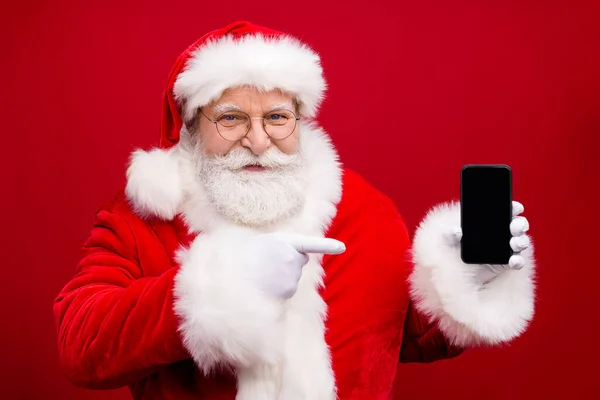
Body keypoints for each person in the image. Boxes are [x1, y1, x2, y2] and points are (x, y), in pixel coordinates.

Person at [54, 20, 536, 400]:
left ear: (300, 121)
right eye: (231, 118)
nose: (259, 141)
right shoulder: (140, 219)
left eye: (278, 118)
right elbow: (81, 344)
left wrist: (466, 280)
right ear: (191, 128)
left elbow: (397, 339)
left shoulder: (363, 210)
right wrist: (217, 289)